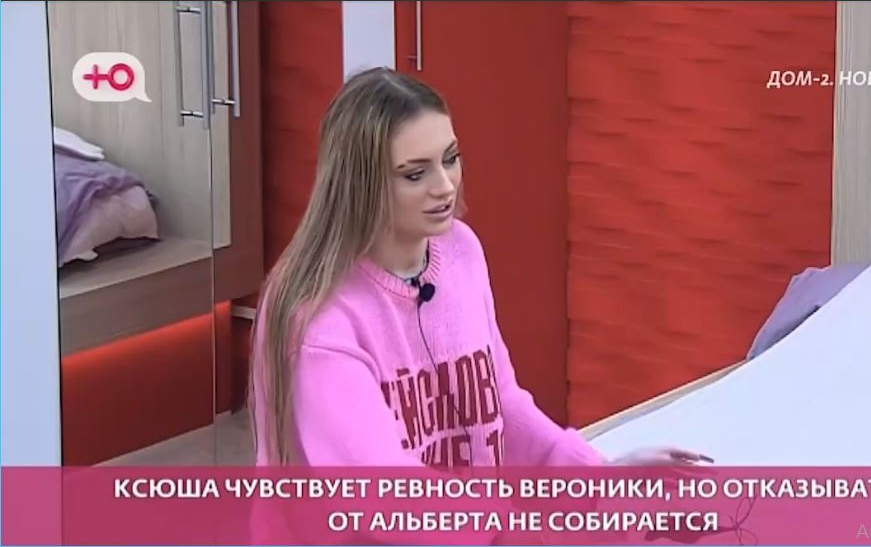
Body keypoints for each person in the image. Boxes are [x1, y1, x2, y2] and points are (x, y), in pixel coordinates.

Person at [248, 67, 705, 472]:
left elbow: (501, 405)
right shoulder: (320, 319)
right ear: (360, 183)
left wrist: (601, 475)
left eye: (450, 159)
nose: (445, 186)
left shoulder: (461, 250)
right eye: (415, 174)